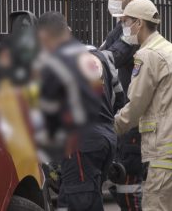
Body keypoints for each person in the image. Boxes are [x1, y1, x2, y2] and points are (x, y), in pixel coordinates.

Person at [37, 12, 119, 211]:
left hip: (82, 142)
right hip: (105, 138)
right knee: (74, 198)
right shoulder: (99, 55)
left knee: (80, 201)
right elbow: (119, 97)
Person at [115, 0, 172, 211]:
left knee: (154, 205)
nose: (123, 27)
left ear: (139, 23)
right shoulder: (168, 48)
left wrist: (114, 126)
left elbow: (136, 104)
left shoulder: (147, 55)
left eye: (126, 21)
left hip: (165, 144)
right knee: (170, 202)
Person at [100, 0, 143, 210]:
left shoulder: (135, 30)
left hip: (134, 121)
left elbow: (112, 57)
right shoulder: (120, 27)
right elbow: (103, 51)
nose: (111, 1)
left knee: (129, 187)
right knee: (119, 184)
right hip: (121, 119)